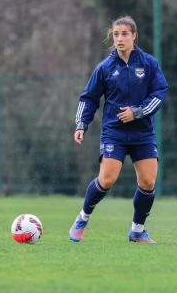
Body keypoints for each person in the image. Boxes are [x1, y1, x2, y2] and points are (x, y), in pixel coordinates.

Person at [69, 16, 168, 243]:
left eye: (124, 34)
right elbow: (89, 98)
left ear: (134, 36)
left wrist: (138, 112)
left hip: (142, 132)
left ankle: (137, 230)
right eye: (116, 34)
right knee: (107, 180)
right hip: (114, 131)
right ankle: (83, 217)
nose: (120, 38)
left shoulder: (149, 64)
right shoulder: (105, 68)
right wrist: (81, 124)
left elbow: (160, 93)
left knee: (148, 182)